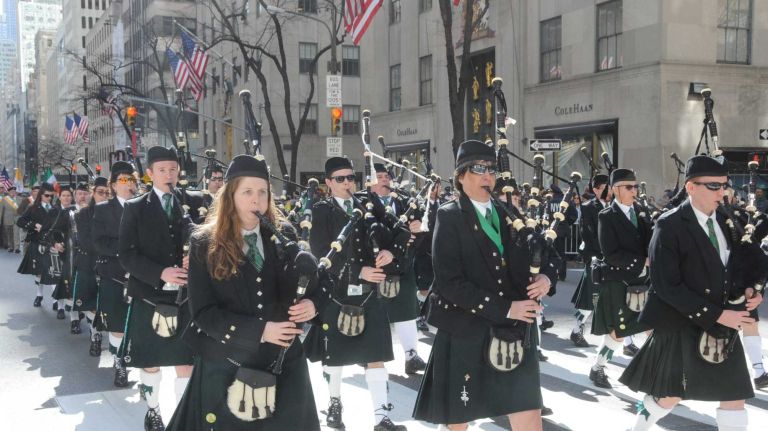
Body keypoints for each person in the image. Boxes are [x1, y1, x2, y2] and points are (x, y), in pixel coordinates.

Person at [167, 154, 326, 430]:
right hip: (228, 362)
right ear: (230, 196)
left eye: (263, 191)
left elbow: (320, 281)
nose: (257, 200)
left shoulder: (284, 234)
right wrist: (261, 331)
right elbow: (204, 314)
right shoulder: (204, 243)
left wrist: (313, 303)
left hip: (284, 363)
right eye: (248, 192)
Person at [413, 140, 554, 431]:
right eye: (479, 169)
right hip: (467, 328)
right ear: (461, 175)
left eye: (491, 169)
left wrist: (545, 278)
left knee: (528, 414)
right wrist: (506, 309)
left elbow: (540, 252)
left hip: (514, 332)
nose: (487, 175)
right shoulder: (449, 215)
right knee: (458, 421)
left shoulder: (509, 214)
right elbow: (450, 283)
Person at [620, 155, 764, 431]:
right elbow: (665, 286)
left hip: (722, 325)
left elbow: (739, 264)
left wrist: (750, 289)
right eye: (713, 186)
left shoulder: (727, 219)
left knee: (734, 397)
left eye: (724, 185)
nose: (721, 192)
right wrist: (718, 315)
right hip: (683, 321)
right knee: (669, 396)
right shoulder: (669, 225)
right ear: (690, 187)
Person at [304, 157, 408, 431]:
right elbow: (319, 253)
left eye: (351, 177)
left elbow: (401, 231)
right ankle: (335, 404)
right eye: (340, 179)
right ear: (328, 183)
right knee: (335, 356)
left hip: (368, 293)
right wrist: (359, 272)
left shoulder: (368, 203)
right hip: (336, 293)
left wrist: (391, 251)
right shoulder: (320, 210)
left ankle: (380, 417)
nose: (348, 183)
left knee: (376, 355)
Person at [118, 147, 203, 431]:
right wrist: (160, 272)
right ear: (150, 174)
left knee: (186, 360)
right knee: (151, 361)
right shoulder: (135, 207)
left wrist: (200, 258)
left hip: (186, 295)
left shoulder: (196, 203)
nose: (169, 175)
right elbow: (126, 255)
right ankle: (153, 410)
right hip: (150, 295)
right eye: (162, 170)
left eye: (173, 169)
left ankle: (182, 417)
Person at [588, 168, 652, 389]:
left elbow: (651, 240)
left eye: (635, 186)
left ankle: (653, 375)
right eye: (629, 187)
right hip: (619, 281)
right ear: (615, 190)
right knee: (618, 331)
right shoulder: (606, 216)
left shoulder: (642, 212)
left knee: (652, 326)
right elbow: (611, 253)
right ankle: (598, 367)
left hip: (643, 281)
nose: (634, 191)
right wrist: (641, 262)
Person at [370, 163, 427, 374]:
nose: (384, 179)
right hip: (375, 266)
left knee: (407, 312)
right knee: (375, 313)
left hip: (402, 265)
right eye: (379, 176)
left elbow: (419, 234)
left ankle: (411, 355)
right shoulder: (363, 201)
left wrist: (418, 229)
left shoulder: (404, 202)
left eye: (386, 176)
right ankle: (373, 356)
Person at [93, 163, 136, 387]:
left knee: (138, 323)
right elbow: (99, 242)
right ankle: (120, 363)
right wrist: (126, 247)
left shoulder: (144, 207)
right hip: (114, 274)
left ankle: (139, 365)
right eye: (122, 180)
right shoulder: (102, 210)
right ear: (112, 185)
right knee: (118, 324)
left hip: (141, 275)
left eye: (131, 180)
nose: (128, 184)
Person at [569, 174, 611, 347]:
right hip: (595, 258)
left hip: (612, 259)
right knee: (590, 299)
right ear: (595, 190)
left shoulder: (615, 207)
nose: (609, 192)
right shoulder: (587, 208)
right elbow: (588, 234)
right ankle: (577, 329)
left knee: (616, 298)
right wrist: (604, 251)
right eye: (605, 188)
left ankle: (624, 340)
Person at [17, 183, 68, 308]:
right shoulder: (32, 207)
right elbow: (20, 221)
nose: (49, 198)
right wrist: (35, 225)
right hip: (37, 242)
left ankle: (55, 300)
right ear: (41, 195)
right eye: (47, 196)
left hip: (51, 244)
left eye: (51, 196)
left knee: (53, 273)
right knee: (39, 272)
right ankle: (39, 295)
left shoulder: (55, 209)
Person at [72, 178, 108, 345]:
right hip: (88, 263)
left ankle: (100, 333)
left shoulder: (118, 212)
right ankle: (95, 334)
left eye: (108, 192)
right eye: (100, 192)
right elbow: (86, 242)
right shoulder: (83, 215)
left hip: (110, 266)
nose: (104, 196)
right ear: (93, 193)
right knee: (91, 303)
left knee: (107, 303)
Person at [51, 186, 76, 320]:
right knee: (59, 279)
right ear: (59, 197)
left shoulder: (75, 210)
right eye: (64, 195)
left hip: (71, 250)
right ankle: (60, 307)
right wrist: (55, 243)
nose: (66, 198)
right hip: (57, 249)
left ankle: (73, 306)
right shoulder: (54, 211)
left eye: (68, 195)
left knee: (69, 279)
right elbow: (48, 231)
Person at [1, 186, 21, 253]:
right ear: (8, 192)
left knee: (16, 233)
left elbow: (22, 209)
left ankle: (17, 247)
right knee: (9, 234)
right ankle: (11, 246)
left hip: (16, 218)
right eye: (12, 191)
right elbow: (1, 210)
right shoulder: (4, 199)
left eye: (14, 191)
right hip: (7, 219)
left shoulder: (19, 199)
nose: (13, 192)